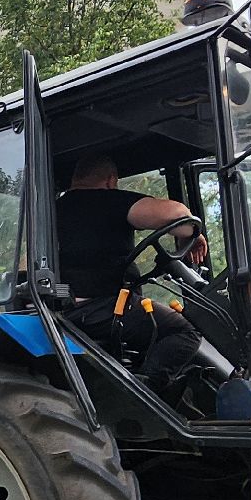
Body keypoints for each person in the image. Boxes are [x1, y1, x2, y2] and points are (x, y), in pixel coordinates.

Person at [56, 154, 204, 393]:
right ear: (111, 181)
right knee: (185, 332)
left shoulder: (53, 210)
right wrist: (193, 233)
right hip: (104, 309)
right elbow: (179, 217)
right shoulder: (108, 200)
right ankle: (143, 394)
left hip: (66, 309)